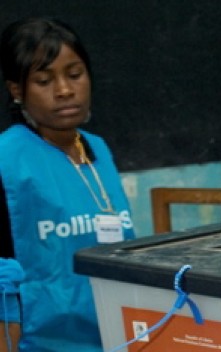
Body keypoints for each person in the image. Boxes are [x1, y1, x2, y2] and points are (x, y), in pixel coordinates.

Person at [0, 18, 135, 351]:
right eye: (44, 80)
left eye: (75, 75)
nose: (64, 90)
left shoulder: (98, 150)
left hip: (116, 334)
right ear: (17, 91)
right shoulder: (6, 160)